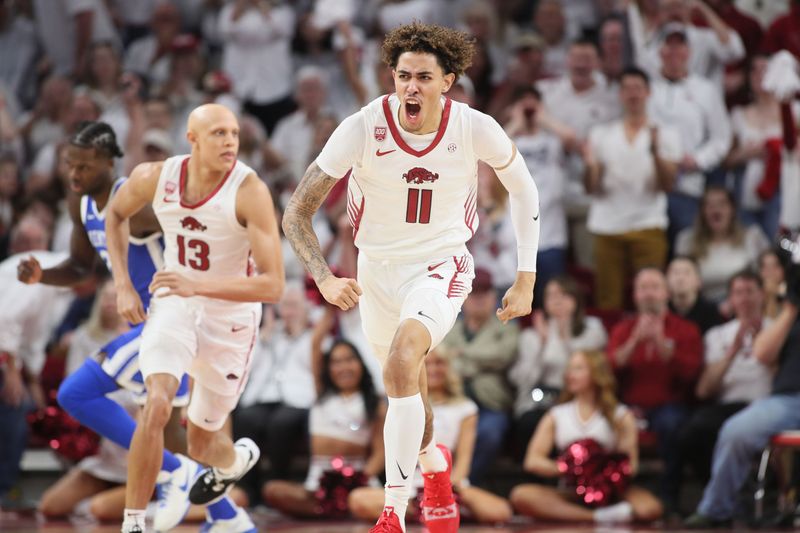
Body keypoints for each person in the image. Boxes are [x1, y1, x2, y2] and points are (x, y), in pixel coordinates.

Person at [281, 21, 540, 533]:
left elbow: (524, 190)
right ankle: (434, 467)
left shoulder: (474, 127)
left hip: (442, 264)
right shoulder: (362, 126)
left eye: (424, 76)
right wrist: (325, 277)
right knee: (406, 388)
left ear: (448, 81)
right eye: (403, 76)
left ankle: (393, 514)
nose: (411, 87)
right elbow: (296, 213)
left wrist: (525, 276)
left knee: (403, 361)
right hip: (374, 270)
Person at [15, 121, 226, 531]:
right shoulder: (83, 207)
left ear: (110, 163)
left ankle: (174, 475)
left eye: (85, 166)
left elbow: (194, 230)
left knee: (76, 393)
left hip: (174, 321)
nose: (74, 174)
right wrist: (43, 275)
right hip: (156, 328)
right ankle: (227, 516)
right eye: (69, 165)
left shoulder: (136, 202)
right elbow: (79, 267)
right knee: (174, 431)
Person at [104, 104, 285, 533]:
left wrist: (197, 286)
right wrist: (123, 284)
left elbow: (273, 285)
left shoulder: (249, 190)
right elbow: (114, 214)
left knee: (202, 442)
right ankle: (134, 523)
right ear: (193, 139)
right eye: (219, 133)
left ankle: (236, 461)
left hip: (232, 317)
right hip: (175, 306)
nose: (229, 142)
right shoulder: (155, 176)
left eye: (235, 134)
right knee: (157, 403)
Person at [685, 251, 800, 528]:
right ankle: (716, 508)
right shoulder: (788, 317)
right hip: (788, 399)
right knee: (736, 430)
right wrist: (793, 305)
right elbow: (761, 353)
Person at [348, 346, 513, 525]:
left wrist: (447, 490)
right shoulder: (404, 405)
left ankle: (434, 509)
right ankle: (427, 510)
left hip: (448, 485)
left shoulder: (466, 408)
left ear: (449, 368)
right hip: (409, 487)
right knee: (358, 499)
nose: (433, 369)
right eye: (428, 364)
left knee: (501, 512)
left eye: (439, 363)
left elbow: (463, 462)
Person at [510, 350, 663, 524]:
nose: (570, 375)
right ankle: (598, 517)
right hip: (571, 490)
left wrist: (601, 472)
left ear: (597, 373)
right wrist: (572, 469)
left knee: (650, 509)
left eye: (578, 369)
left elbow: (631, 465)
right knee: (521, 495)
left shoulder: (620, 415)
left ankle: (595, 512)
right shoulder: (556, 414)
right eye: (569, 369)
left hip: (611, 490)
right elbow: (533, 461)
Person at [263, 305, 386, 517]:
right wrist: (330, 304)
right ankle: (331, 508)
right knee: (273, 490)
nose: (344, 367)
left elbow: (380, 454)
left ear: (361, 364)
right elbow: (315, 343)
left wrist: (353, 480)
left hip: (357, 483)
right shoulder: (322, 394)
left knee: (361, 500)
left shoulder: (374, 403)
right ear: (328, 368)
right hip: (318, 487)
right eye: (336, 362)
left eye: (349, 360)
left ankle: (344, 506)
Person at [583, 66, 682, 310]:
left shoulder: (666, 134)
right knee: (608, 300)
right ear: (619, 94)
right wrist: (590, 166)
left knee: (652, 296)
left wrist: (655, 152)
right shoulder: (601, 134)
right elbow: (590, 187)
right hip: (607, 224)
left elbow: (668, 184)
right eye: (626, 88)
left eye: (638, 88)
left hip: (648, 222)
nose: (632, 94)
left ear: (648, 93)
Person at [607, 267, 703, 510]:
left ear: (666, 293)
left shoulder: (685, 329)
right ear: (635, 295)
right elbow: (608, 371)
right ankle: (611, 495)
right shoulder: (623, 330)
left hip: (669, 405)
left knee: (673, 425)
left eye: (654, 287)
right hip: (630, 405)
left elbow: (691, 375)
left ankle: (668, 499)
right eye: (643, 288)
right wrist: (633, 344)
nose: (648, 294)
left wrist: (663, 346)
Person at [678, 270, 773, 483]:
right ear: (730, 299)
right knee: (692, 432)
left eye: (750, 291)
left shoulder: (776, 329)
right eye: (738, 292)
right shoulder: (717, 334)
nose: (745, 298)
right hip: (729, 406)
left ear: (762, 295)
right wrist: (733, 350)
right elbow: (703, 390)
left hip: (768, 405)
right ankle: (714, 490)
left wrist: (764, 348)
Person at [508, 275, 607, 458]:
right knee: (528, 422)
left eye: (563, 294)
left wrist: (564, 337)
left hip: (581, 398)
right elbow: (520, 379)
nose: (557, 300)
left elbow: (590, 367)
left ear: (576, 299)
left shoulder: (592, 330)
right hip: (542, 399)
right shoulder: (532, 335)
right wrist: (543, 344)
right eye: (551, 295)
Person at [674, 185, 770, 305]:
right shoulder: (686, 240)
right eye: (710, 206)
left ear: (732, 209)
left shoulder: (752, 237)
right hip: (701, 307)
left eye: (722, 204)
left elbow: (767, 275)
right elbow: (679, 278)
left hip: (744, 303)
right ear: (702, 212)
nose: (716, 210)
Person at [666, 255, 725, 334]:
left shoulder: (710, 312)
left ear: (699, 281)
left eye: (687, 273)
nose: (680, 278)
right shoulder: (662, 310)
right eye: (675, 273)